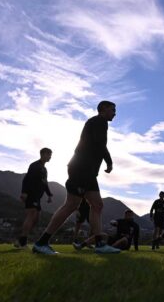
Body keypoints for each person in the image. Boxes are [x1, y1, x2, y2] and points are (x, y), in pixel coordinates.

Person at [33, 101, 120, 255]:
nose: (115, 113)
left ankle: (99, 244)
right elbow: (100, 144)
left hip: (88, 172)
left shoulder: (98, 123)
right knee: (72, 204)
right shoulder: (99, 121)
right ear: (104, 109)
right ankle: (41, 243)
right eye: (113, 110)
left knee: (97, 205)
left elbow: (96, 145)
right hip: (81, 169)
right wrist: (109, 161)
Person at [15, 148, 53, 248]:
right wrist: (24, 192)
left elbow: (45, 183)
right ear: (43, 154)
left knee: (36, 219)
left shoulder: (44, 169)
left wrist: (49, 194)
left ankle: (21, 239)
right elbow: (27, 179)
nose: (50, 157)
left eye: (50, 155)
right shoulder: (34, 165)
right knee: (31, 215)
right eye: (49, 155)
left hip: (38, 197)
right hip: (31, 194)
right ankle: (23, 242)